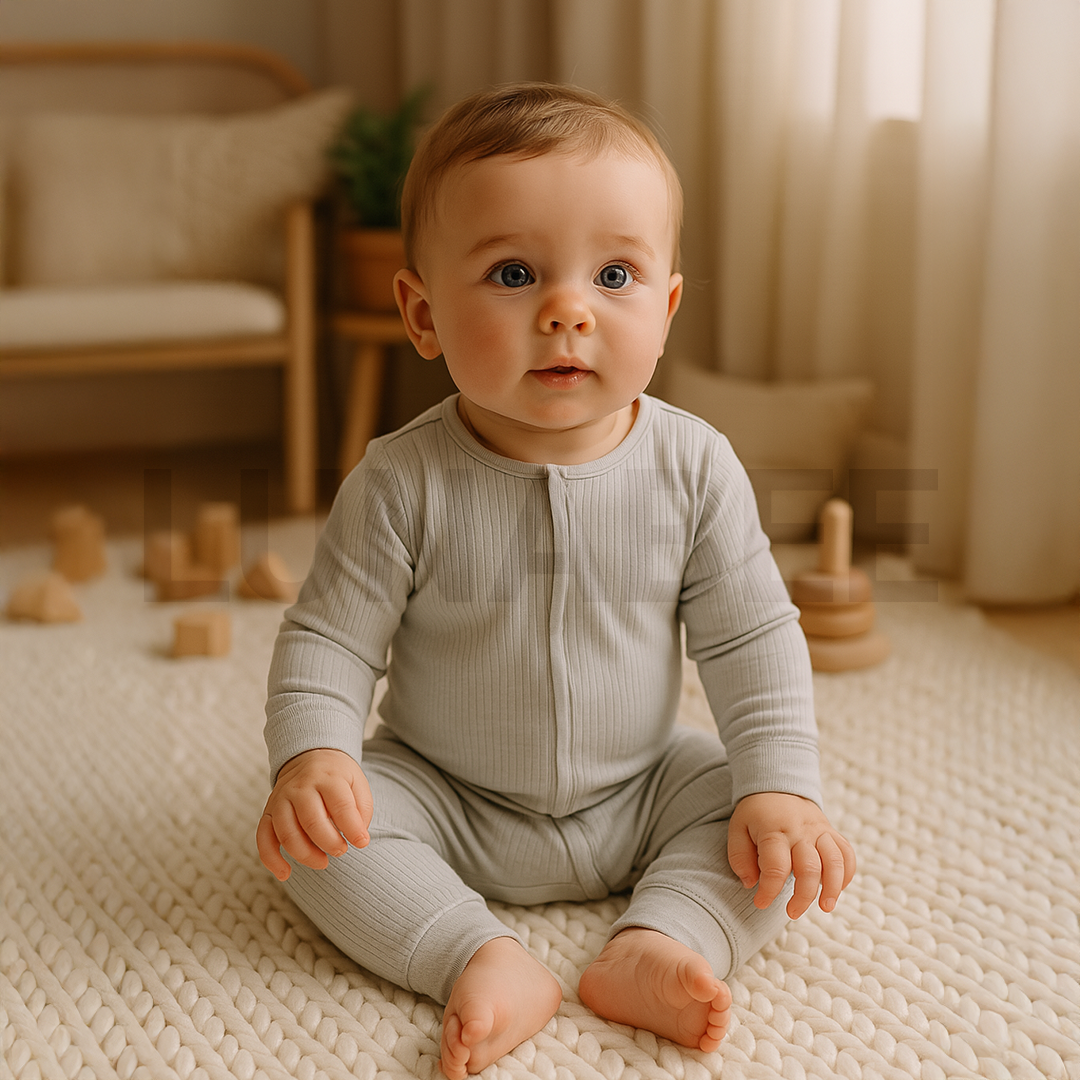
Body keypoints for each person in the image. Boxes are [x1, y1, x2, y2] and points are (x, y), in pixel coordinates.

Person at [257, 82, 855, 1079]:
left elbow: (751, 638)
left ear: (664, 308)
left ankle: (663, 942)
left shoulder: (696, 467)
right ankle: (475, 955)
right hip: (445, 790)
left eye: (615, 273)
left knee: (759, 829)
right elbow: (328, 639)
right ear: (423, 312)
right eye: (515, 271)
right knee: (316, 843)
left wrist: (782, 789)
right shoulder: (402, 480)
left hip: (641, 785)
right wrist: (312, 758)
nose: (568, 309)